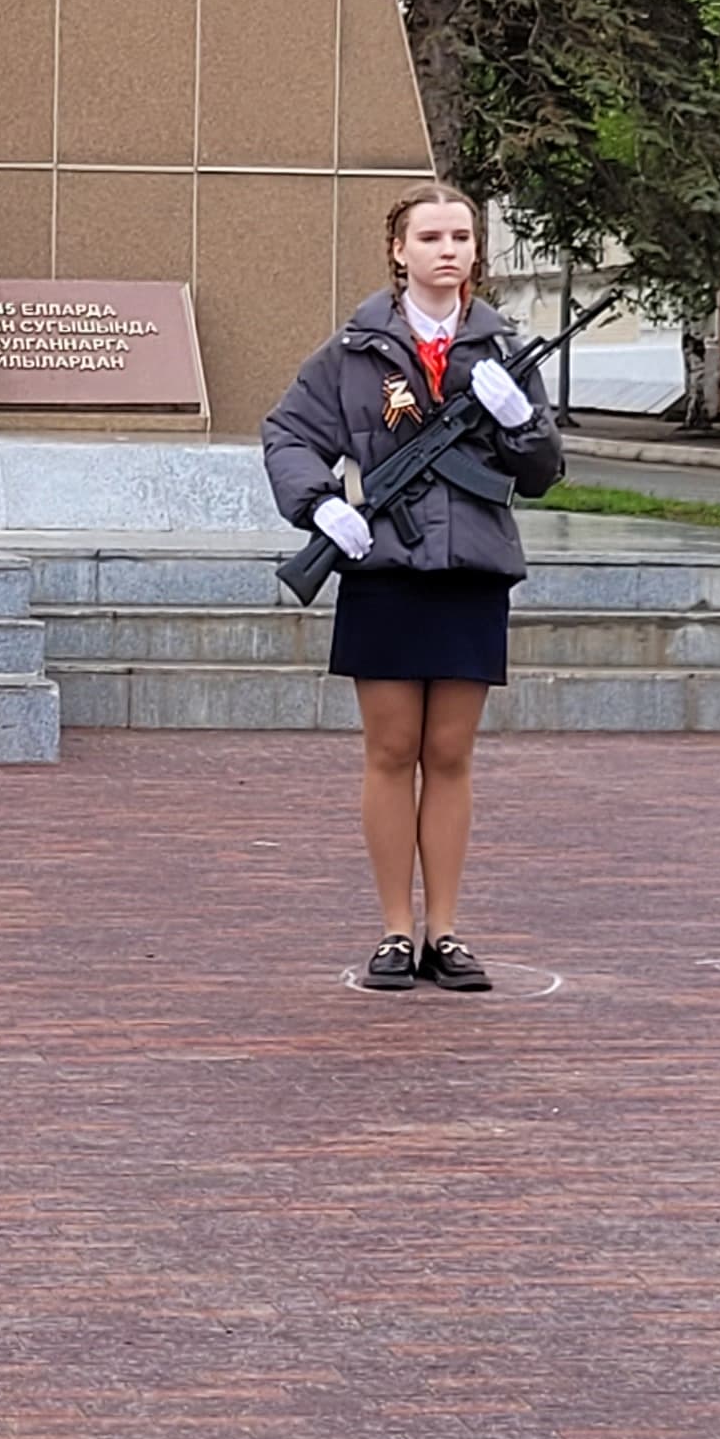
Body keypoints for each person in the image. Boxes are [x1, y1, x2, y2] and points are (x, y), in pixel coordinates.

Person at [262, 186, 566, 993]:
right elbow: (289, 433)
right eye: (430, 236)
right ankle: (396, 930)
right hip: (387, 568)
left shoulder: (501, 352)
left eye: (461, 236)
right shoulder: (355, 350)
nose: (448, 249)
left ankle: (447, 932)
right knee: (393, 751)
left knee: (452, 754)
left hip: (471, 569)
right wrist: (321, 504)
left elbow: (541, 475)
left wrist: (520, 423)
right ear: (397, 250)